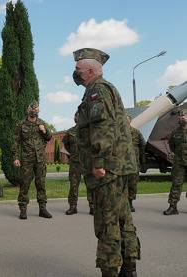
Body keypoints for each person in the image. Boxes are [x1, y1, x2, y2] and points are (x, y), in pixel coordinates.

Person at [73, 48, 140, 277]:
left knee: (107, 223)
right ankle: (129, 268)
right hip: (119, 167)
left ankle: (110, 271)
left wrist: (98, 161)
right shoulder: (104, 88)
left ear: (90, 71)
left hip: (107, 169)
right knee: (123, 219)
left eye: (78, 69)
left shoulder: (97, 91)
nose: (75, 73)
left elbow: (102, 127)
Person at [13, 100, 53, 220]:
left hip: (40, 159)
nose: (33, 111)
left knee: (41, 184)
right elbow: (16, 142)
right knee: (25, 184)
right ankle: (23, 209)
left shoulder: (42, 124)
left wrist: (44, 131)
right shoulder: (21, 125)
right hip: (26, 159)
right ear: (27, 110)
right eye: (31, 109)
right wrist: (15, 157)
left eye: (36, 110)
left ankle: (42, 208)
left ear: (38, 111)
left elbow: (49, 137)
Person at [62, 113, 94, 215]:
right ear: (74, 119)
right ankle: (73, 206)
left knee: (90, 185)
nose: (78, 118)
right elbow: (66, 146)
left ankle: (93, 206)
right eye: (77, 117)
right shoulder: (70, 132)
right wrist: (72, 155)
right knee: (73, 185)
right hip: (75, 163)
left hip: (87, 162)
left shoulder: (90, 130)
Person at [163, 108, 187, 215]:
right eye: (180, 116)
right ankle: (173, 207)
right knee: (176, 184)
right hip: (179, 163)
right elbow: (172, 146)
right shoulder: (175, 132)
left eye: (184, 116)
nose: (181, 118)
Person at [126, 115, 146, 212]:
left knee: (132, 184)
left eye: (127, 118)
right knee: (120, 185)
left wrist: (141, 158)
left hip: (134, 164)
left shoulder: (136, 132)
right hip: (121, 165)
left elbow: (143, 145)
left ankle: (130, 202)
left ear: (130, 120)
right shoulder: (117, 132)